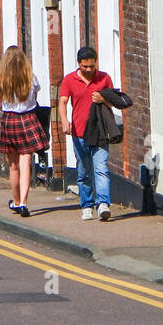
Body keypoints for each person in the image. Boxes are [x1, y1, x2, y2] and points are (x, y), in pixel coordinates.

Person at [58, 45, 116, 221]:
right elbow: (63, 101)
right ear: (79, 64)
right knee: (83, 171)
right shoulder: (69, 80)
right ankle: (87, 205)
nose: (89, 70)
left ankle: (103, 204)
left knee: (101, 169)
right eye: (85, 67)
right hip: (79, 133)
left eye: (92, 66)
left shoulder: (104, 78)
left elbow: (114, 102)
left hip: (99, 132)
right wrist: (64, 120)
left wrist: (104, 99)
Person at [0, 46, 47, 218]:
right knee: (26, 162)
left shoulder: (2, 80)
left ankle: (16, 202)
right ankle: (24, 202)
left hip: (9, 120)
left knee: (13, 165)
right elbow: (36, 96)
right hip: (28, 118)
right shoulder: (30, 78)